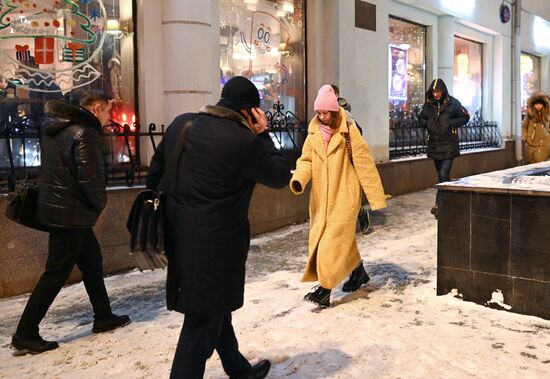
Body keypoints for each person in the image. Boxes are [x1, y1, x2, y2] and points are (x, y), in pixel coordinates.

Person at [146, 76, 291, 379]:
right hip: (217, 245)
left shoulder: (181, 124)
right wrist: (263, 133)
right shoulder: (243, 140)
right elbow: (279, 175)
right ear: (250, 110)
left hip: (179, 236)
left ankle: (238, 370)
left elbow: (155, 176)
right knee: (200, 324)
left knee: (214, 307)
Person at [11, 91, 131, 355]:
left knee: (91, 261)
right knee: (55, 272)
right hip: (72, 214)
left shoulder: (59, 129)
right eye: (108, 111)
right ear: (97, 108)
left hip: (62, 210)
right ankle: (25, 333)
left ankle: (103, 315)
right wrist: (100, 203)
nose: (108, 116)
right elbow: (90, 177)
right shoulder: (84, 133)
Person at [290, 84, 387, 308]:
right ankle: (358, 273)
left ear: (334, 112)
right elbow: (306, 160)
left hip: (344, 196)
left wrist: (375, 197)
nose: (322, 117)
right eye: (319, 113)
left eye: (325, 113)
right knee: (342, 242)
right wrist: (299, 179)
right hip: (321, 199)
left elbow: (364, 163)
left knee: (330, 244)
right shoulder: (313, 132)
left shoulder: (348, 131)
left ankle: (324, 290)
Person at [418, 79, 470, 218]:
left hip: (449, 146)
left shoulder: (453, 103)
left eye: (438, 91)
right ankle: (447, 201)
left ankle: (439, 205)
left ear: (443, 91)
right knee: (443, 177)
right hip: (435, 145)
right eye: (434, 91)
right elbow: (420, 119)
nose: (436, 94)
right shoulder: (428, 105)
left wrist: (451, 123)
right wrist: (427, 123)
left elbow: (465, 117)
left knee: (443, 175)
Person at [330, 84, 370, 234]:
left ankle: (360, 213)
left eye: (333, 94)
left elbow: (358, 132)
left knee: (347, 194)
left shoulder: (344, 113)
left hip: (346, 159)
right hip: (331, 160)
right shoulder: (322, 113)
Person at [522, 92, 550, 164]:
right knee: (531, 163)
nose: (538, 106)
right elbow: (524, 127)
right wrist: (525, 139)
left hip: (545, 144)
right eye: (536, 104)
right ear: (533, 105)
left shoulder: (547, 115)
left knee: (541, 164)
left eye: (540, 104)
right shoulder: (529, 115)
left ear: (543, 105)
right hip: (531, 144)